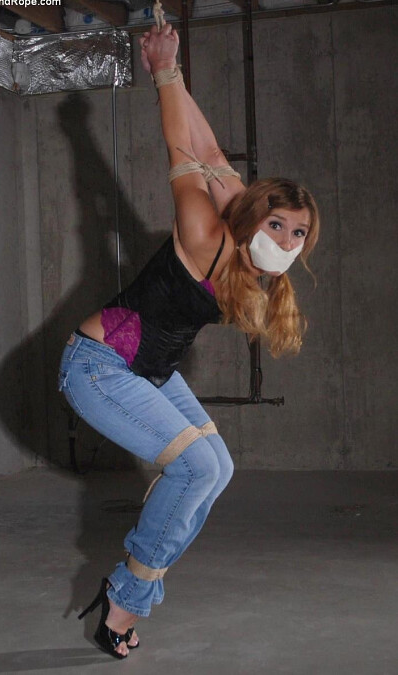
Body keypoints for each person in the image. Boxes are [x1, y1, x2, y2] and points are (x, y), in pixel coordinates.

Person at [58, 23, 320, 659]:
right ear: (256, 217)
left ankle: (132, 587)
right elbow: (182, 150)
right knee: (197, 466)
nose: (286, 241)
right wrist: (163, 71)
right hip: (98, 367)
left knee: (217, 468)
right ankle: (125, 597)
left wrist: (175, 73)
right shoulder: (207, 231)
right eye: (277, 225)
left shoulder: (241, 220)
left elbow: (207, 146)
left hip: (148, 369)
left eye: (298, 233)